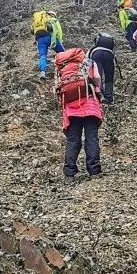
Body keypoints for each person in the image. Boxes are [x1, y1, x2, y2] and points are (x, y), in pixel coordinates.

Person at [54, 47, 103, 178]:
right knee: (91, 138)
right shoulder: (88, 63)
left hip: (71, 109)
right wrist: (99, 94)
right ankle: (94, 171)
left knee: (73, 139)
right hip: (89, 103)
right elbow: (97, 80)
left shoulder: (61, 69)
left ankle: (69, 172)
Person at [89, 33, 123, 107]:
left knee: (98, 76)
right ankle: (109, 98)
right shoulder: (110, 49)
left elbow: (87, 60)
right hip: (109, 54)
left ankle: (100, 95)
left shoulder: (94, 49)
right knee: (109, 78)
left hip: (96, 54)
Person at [30, 8, 53, 76]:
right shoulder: (47, 17)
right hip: (48, 37)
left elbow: (32, 31)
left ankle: (42, 72)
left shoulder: (36, 20)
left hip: (40, 39)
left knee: (42, 56)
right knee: (61, 51)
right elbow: (51, 28)